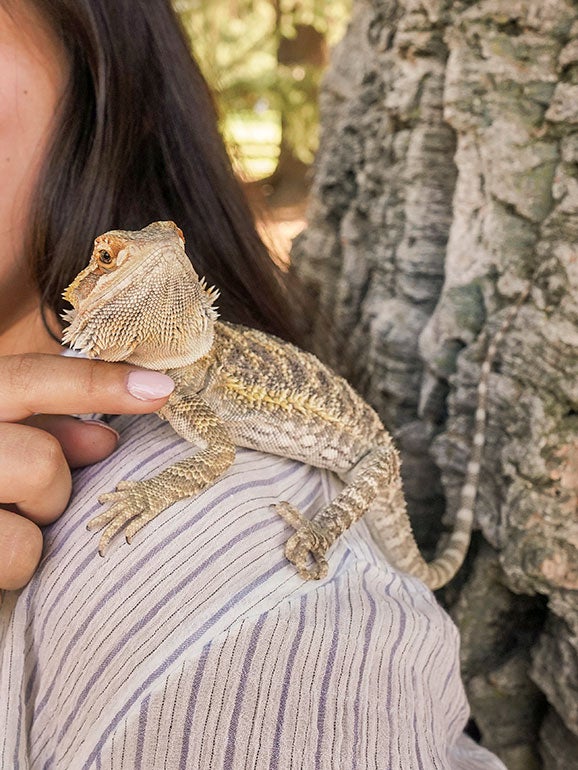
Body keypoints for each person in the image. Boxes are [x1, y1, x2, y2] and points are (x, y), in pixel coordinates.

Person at [0, 1, 506, 767]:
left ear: (107, 92)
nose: (136, 261)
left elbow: (212, 462)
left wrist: (299, 536)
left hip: (353, 463)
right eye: (110, 261)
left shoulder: (252, 612)